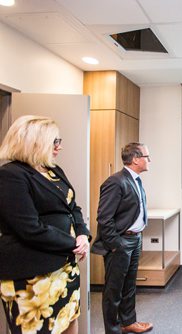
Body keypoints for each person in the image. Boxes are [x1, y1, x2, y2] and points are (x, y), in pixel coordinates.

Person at [0, 115, 91, 334]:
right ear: (33, 142)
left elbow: (73, 208)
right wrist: (72, 243)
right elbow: (29, 228)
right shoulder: (11, 175)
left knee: (69, 319)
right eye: (54, 141)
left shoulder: (53, 170)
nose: (59, 146)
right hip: (33, 274)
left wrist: (83, 235)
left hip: (64, 268)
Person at [90, 142, 153, 334]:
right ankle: (113, 329)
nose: (149, 160)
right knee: (113, 290)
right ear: (135, 159)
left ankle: (128, 322)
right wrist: (115, 244)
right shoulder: (115, 181)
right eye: (146, 157)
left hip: (135, 240)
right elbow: (104, 217)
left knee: (129, 285)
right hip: (121, 242)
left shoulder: (135, 180)